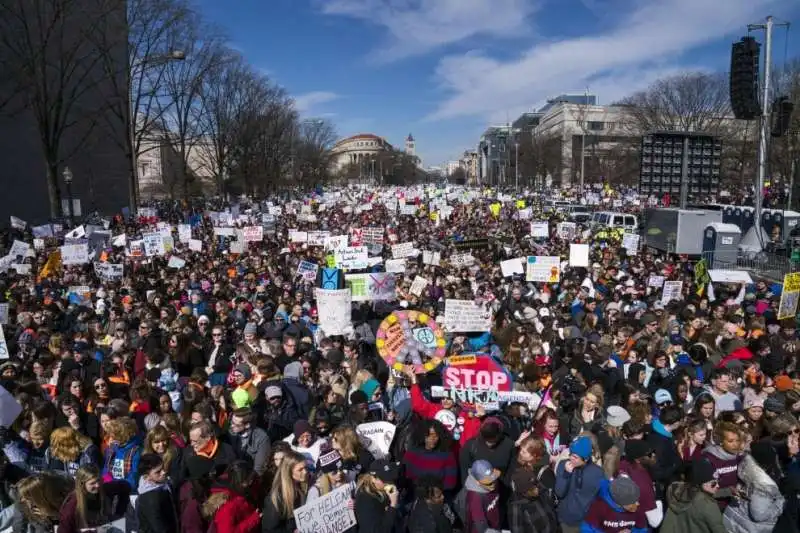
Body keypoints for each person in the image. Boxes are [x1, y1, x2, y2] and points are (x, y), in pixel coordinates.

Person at [58, 465, 130, 533]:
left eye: (99, 480)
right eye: (92, 483)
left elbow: (125, 486)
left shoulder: (105, 489)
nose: (97, 485)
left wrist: (119, 513)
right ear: (82, 484)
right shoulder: (72, 505)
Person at [660, 458, 726, 533]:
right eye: (713, 484)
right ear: (700, 483)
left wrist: (728, 491)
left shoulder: (677, 492)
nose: (718, 485)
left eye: (718, 481)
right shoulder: (709, 506)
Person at [554, 436, 604, 533]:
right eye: (571, 454)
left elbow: (600, 497)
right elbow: (559, 493)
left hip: (585, 521)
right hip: (565, 520)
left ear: (585, 459)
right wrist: (566, 474)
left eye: (575, 457)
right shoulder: (563, 465)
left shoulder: (597, 473)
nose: (571, 458)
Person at [262, 450, 309, 533]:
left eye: (306, 467)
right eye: (300, 469)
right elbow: (269, 529)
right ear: (289, 472)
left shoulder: (303, 486)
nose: (305, 472)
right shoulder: (275, 499)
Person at [581, 475, 648, 533]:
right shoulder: (599, 506)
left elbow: (642, 529)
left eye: (637, 500)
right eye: (632, 501)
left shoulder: (637, 508)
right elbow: (587, 530)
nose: (638, 504)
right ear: (620, 503)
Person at [354, 459, 400, 533]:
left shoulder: (380, 490)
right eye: (384, 480)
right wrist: (393, 505)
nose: (389, 482)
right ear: (373, 478)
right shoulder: (365, 500)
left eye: (390, 478)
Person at [135, 453, 178, 533]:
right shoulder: (150, 499)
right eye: (158, 472)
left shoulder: (163, 484)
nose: (163, 472)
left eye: (163, 468)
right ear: (146, 477)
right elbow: (159, 527)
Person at [462, 459, 502, 533]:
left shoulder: (495, 482)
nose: (493, 483)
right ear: (477, 482)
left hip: (495, 525)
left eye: (493, 478)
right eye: (488, 482)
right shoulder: (475, 497)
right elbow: (481, 525)